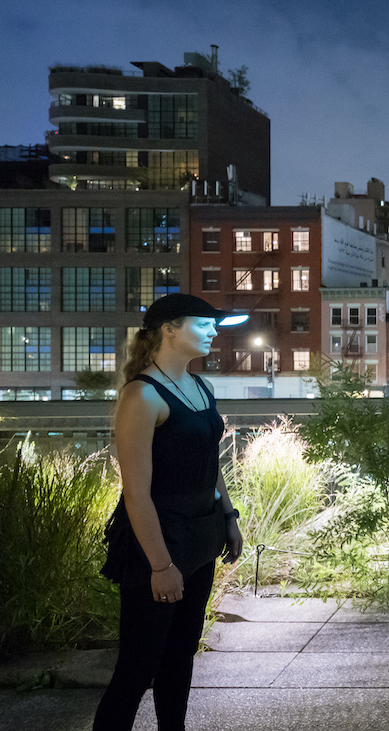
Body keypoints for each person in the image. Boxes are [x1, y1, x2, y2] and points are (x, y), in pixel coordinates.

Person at [94, 294, 247, 730]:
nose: (214, 332)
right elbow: (136, 494)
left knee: (181, 655)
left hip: (201, 536)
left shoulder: (201, 387)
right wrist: (160, 566)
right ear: (169, 330)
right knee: (139, 665)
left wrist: (229, 515)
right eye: (204, 325)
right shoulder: (142, 395)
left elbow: (208, 462)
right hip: (158, 542)